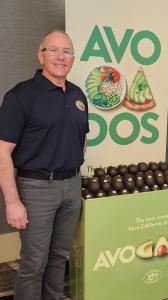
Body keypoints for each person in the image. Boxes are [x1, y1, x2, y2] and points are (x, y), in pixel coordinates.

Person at [0, 30, 89, 300]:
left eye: (67, 51)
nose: (61, 57)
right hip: (36, 188)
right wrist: (13, 201)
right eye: (54, 50)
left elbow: (82, 139)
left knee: (59, 259)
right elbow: (2, 152)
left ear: (73, 58)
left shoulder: (78, 95)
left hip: (72, 187)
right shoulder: (21, 96)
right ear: (41, 55)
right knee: (33, 264)